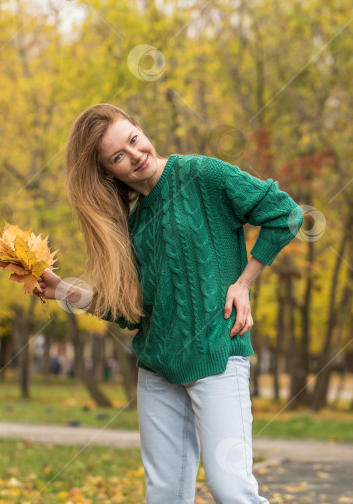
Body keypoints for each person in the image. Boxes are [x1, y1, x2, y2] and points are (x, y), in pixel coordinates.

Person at [33, 103, 302, 503]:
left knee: (231, 490)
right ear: (108, 171)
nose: (135, 156)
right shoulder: (131, 223)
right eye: (118, 157)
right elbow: (129, 309)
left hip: (217, 356)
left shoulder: (201, 174)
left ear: (140, 129)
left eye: (133, 140)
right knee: (164, 496)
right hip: (158, 368)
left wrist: (244, 283)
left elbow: (285, 214)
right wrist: (63, 291)